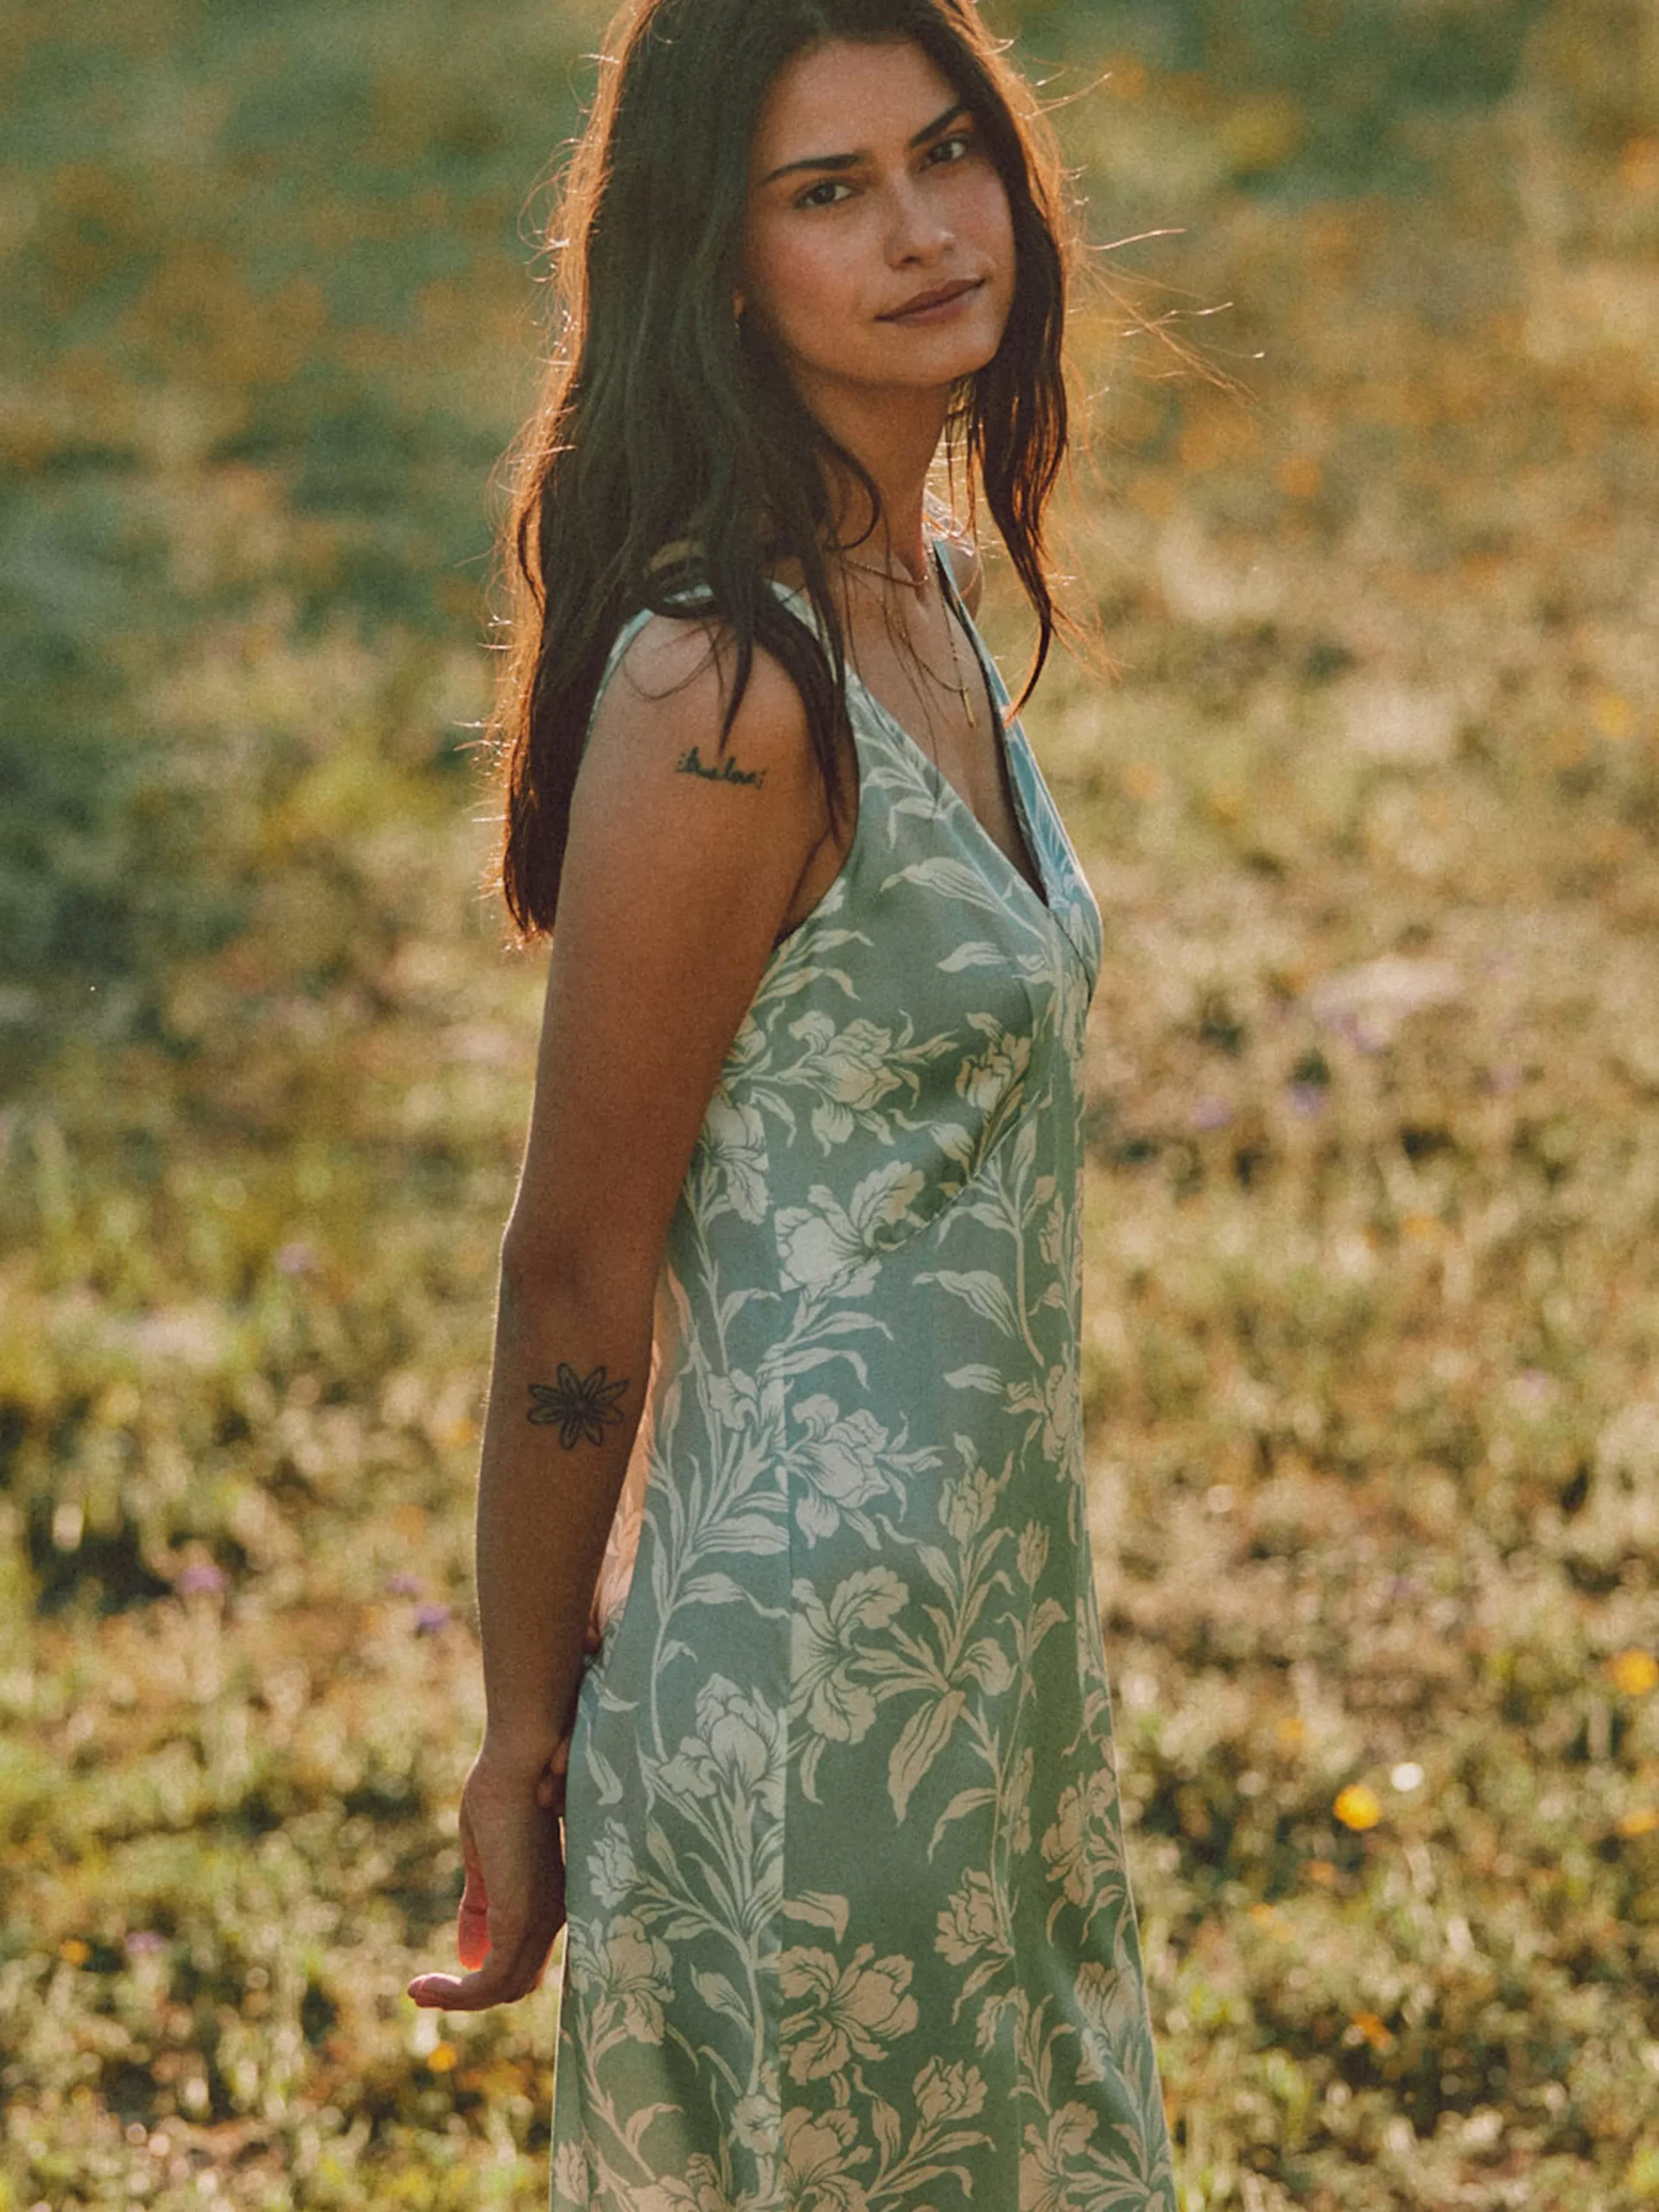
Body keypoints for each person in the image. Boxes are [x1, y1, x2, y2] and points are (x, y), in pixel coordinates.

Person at [409, 1, 1177, 2203]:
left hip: (992, 1641)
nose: (928, 230)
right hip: (812, 1683)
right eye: (829, 191)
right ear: (717, 264)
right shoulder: (726, 682)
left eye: (949, 153)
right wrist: (523, 1732)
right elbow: (575, 1265)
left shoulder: (921, 583)